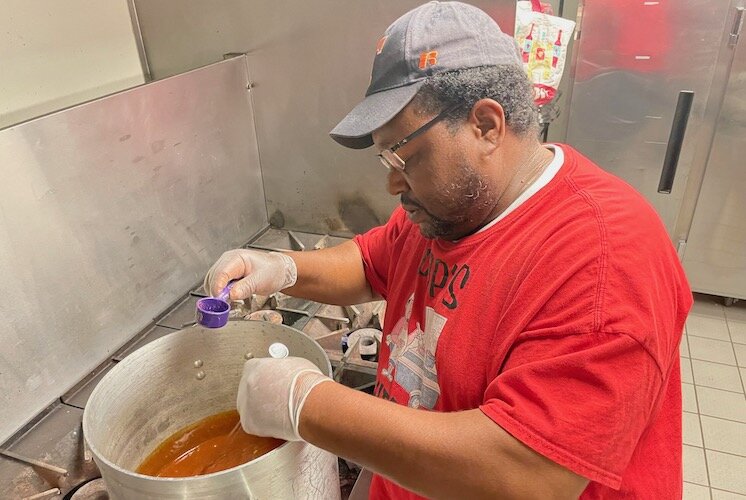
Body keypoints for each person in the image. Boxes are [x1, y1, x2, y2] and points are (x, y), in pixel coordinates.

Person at [204, 2, 692, 498]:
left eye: (405, 156)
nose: (393, 183)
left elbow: (529, 473)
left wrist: (305, 404)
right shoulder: (452, 206)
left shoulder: (605, 257)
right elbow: (372, 263)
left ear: (485, 125)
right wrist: (281, 268)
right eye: (384, 158)